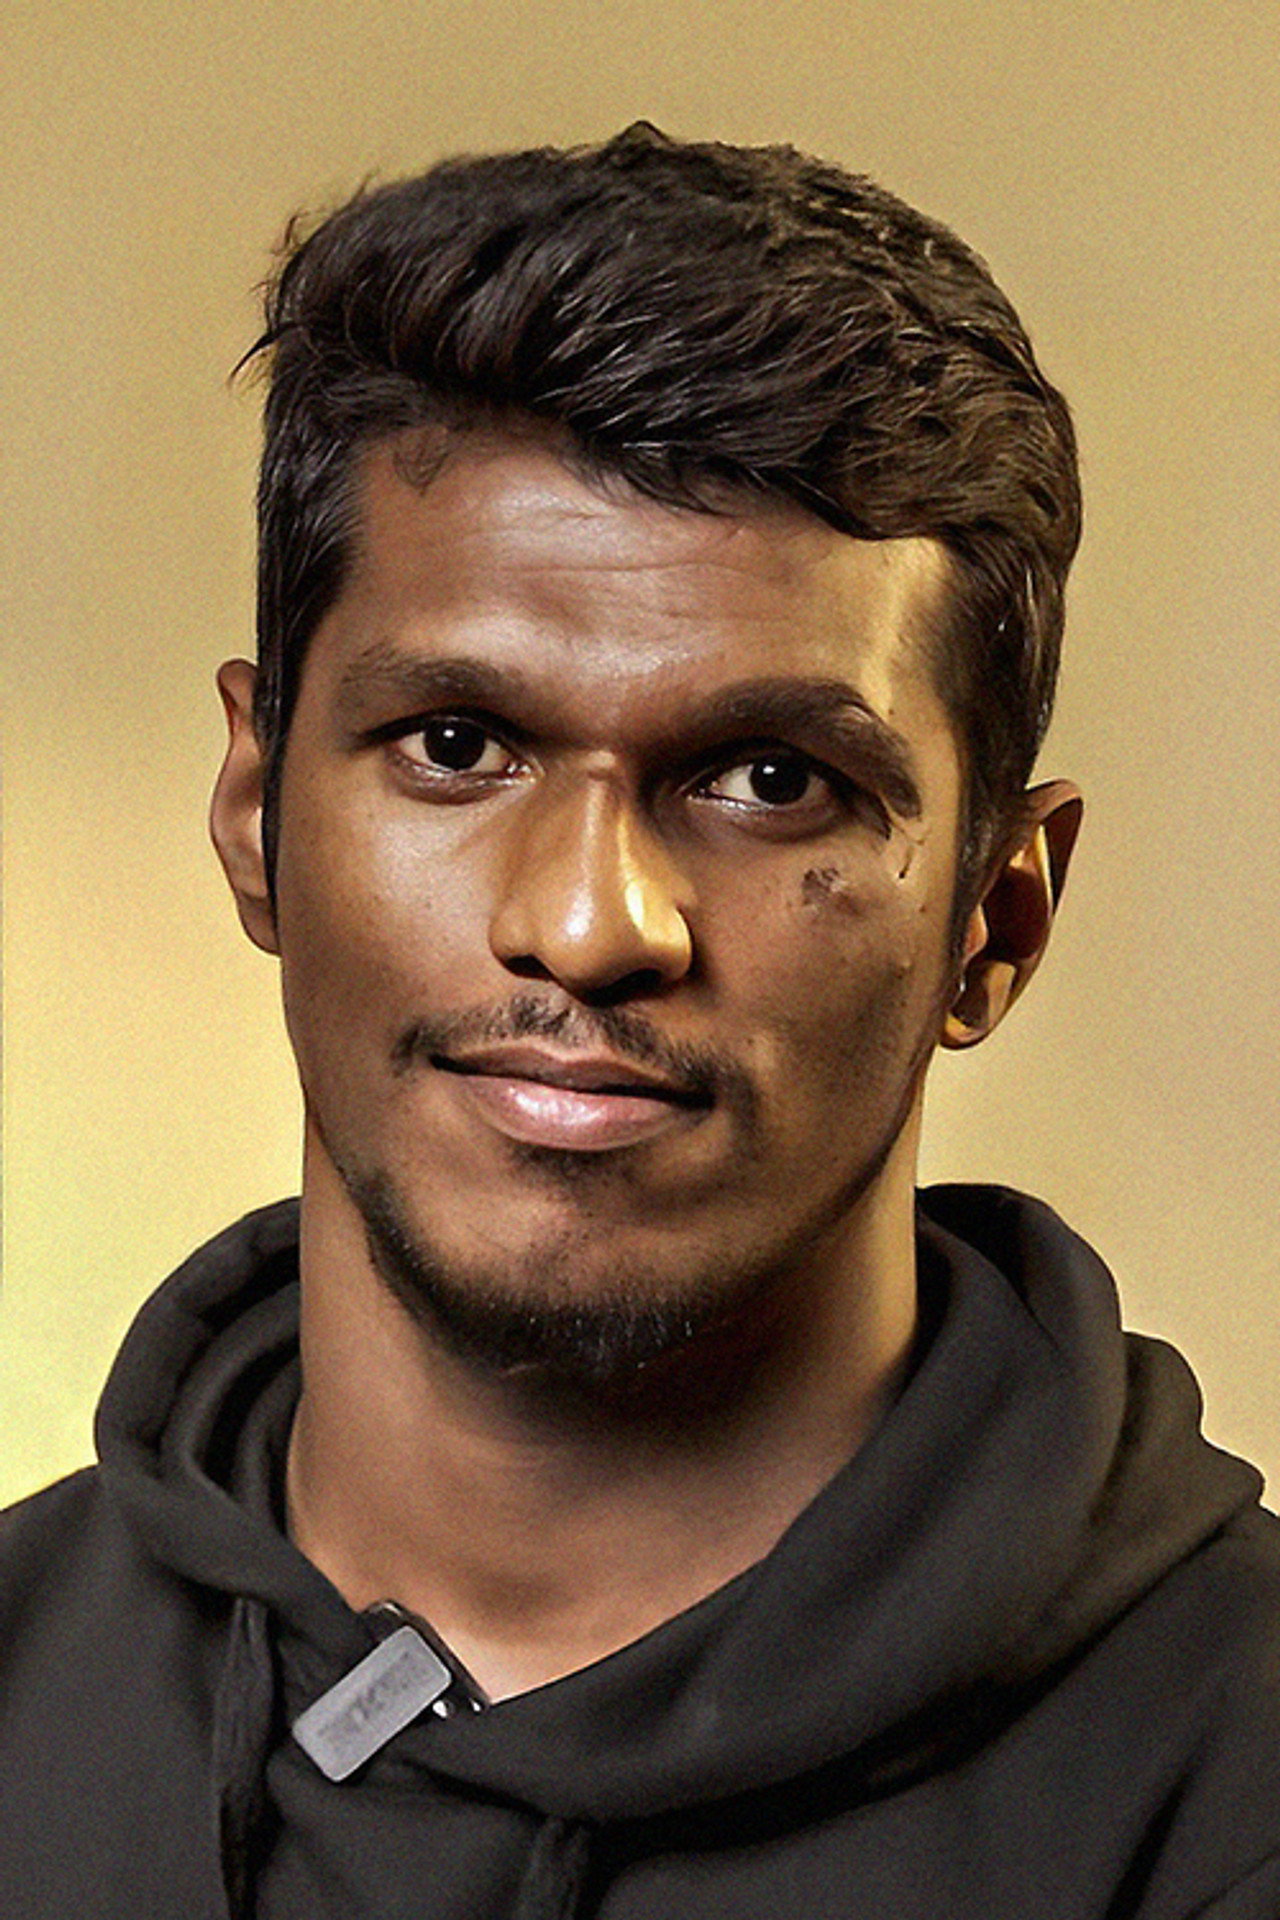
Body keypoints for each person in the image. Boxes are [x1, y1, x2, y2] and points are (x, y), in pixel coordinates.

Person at [1, 123, 1277, 1920]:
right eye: (457, 744)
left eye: (772, 779)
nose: (592, 925)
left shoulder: (1235, 1779)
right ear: (255, 814)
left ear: (997, 922)